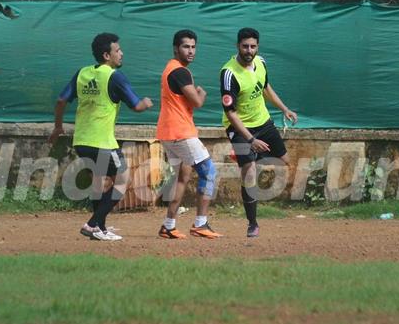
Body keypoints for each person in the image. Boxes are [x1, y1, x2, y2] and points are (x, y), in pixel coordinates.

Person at [49, 33, 153, 241]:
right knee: (123, 180)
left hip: (81, 141)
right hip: (102, 142)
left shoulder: (82, 73)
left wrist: (58, 127)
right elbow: (136, 106)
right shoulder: (114, 76)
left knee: (99, 181)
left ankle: (100, 228)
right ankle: (92, 224)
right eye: (117, 50)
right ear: (107, 55)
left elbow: (61, 100)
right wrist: (146, 103)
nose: (121, 53)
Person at [219, 27, 297, 237]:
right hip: (239, 127)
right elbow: (231, 114)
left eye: (253, 46)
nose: (249, 50)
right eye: (245, 46)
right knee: (249, 171)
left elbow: (265, 88)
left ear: (257, 47)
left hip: (263, 122)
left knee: (287, 161)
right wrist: (250, 140)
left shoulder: (261, 62)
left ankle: (255, 159)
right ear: (238, 46)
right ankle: (252, 223)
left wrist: (284, 109)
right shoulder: (229, 74)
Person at [156, 30, 222, 239]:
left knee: (183, 176)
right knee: (209, 172)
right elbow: (197, 102)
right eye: (186, 46)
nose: (191, 51)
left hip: (167, 132)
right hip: (180, 132)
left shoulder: (170, 68)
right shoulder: (180, 72)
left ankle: (168, 225)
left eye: (193, 47)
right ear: (176, 48)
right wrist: (202, 92)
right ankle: (200, 224)